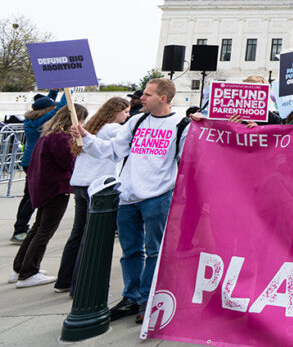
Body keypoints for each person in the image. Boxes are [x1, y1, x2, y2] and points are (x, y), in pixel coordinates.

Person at [72, 78, 190, 323]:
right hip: (127, 196)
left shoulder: (181, 124)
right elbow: (112, 150)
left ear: (163, 98)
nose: (141, 98)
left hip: (158, 196)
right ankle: (131, 297)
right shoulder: (136, 122)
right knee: (130, 251)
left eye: (147, 94)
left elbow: (188, 161)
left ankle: (148, 298)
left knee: (155, 250)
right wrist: (86, 136)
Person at [54, 97, 130, 294]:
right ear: (116, 112)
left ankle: (64, 280)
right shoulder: (114, 129)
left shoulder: (92, 125)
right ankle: (81, 284)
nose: (128, 116)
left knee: (77, 233)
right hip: (98, 186)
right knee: (91, 236)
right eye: (126, 112)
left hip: (80, 183)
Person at [10, 104, 88, 288]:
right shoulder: (60, 137)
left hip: (46, 187)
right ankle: (28, 271)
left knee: (38, 228)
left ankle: (20, 267)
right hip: (56, 188)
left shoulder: (48, 134)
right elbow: (67, 162)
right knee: (45, 231)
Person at [11, 89, 67, 244]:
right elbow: (59, 108)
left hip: (29, 162)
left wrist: (53, 92)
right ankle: (20, 229)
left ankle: (21, 227)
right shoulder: (40, 121)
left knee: (28, 196)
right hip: (35, 162)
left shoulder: (32, 119)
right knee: (31, 197)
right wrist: (71, 87)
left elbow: (45, 105)